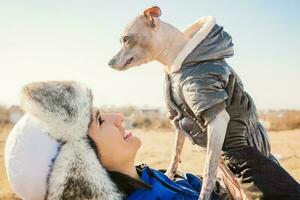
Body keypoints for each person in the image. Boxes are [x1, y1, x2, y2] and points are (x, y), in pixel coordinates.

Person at [5, 80, 300, 200]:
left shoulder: (146, 178)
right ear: (82, 167)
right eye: (99, 120)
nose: (118, 117)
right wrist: (238, 150)